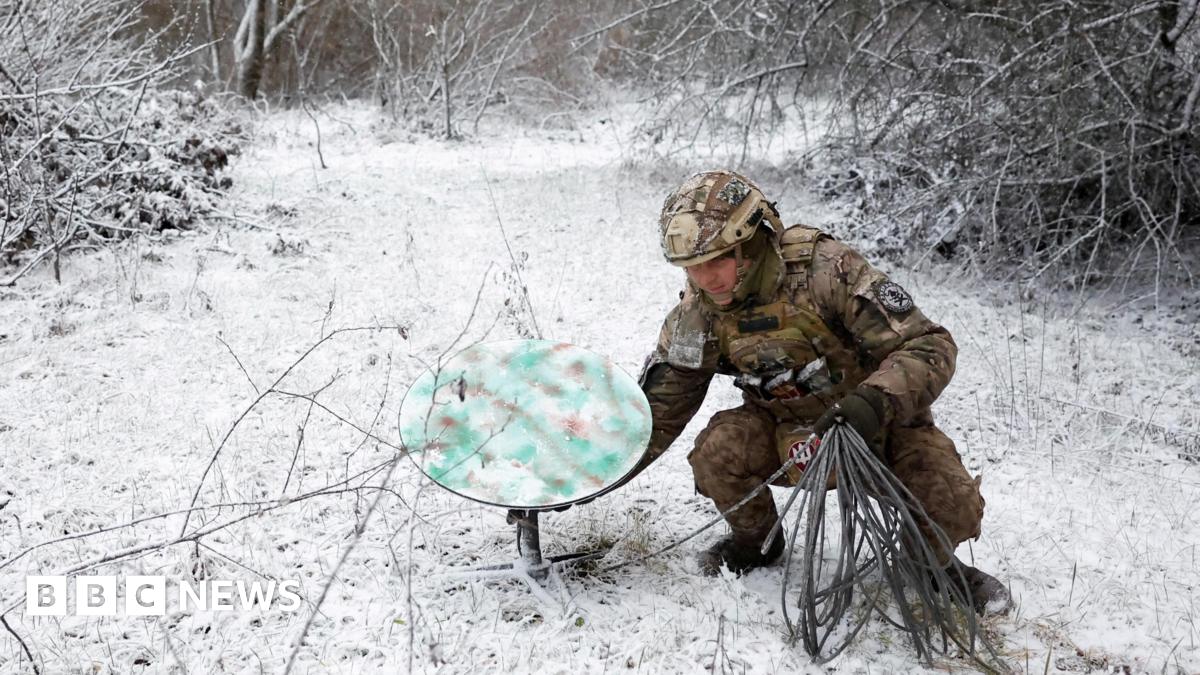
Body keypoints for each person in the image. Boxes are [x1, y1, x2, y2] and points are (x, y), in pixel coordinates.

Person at [636, 169, 1011, 613]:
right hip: (783, 430)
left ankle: (932, 565)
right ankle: (756, 544)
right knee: (717, 452)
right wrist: (588, 475)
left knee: (952, 502)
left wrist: (872, 403)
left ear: (752, 242)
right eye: (692, 268)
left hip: (875, 425)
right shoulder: (697, 312)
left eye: (717, 261)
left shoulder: (825, 270)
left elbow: (929, 344)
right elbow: (660, 409)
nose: (705, 279)